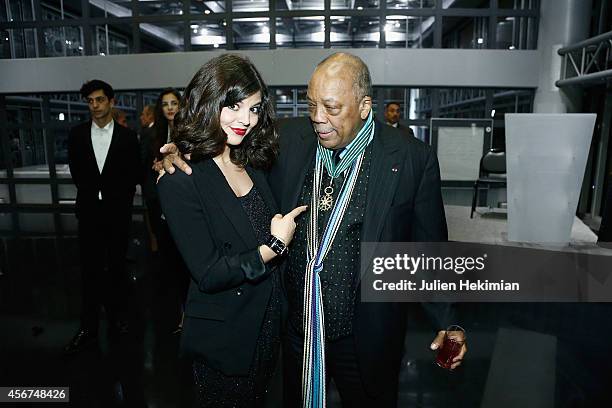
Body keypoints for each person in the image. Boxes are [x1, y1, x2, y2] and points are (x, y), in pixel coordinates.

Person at [161, 53, 466, 407]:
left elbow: (430, 248)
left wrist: (450, 321)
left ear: (364, 106)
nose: (319, 119)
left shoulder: (411, 158)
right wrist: (173, 151)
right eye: (311, 105)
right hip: (296, 333)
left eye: (332, 108)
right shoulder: (291, 140)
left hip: (366, 337)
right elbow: (217, 145)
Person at [156, 54, 307, 407]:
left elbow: (314, 126)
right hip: (225, 340)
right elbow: (209, 273)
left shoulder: (252, 160)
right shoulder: (179, 178)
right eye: (233, 106)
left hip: (268, 328)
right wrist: (273, 247)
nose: (245, 120)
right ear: (207, 103)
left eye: (254, 109)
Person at [64, 79, 141, 354]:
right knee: (89, 271)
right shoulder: (76, 135)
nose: (94, 105)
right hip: (89, 213)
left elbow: (133, 175)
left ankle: (118, 320)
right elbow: (77, 172)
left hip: (117, 214)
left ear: (111, 101)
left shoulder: (128, 137)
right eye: (90, 101)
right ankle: (88, 327)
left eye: (99, 99)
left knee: (117, 269)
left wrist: (117, 199)